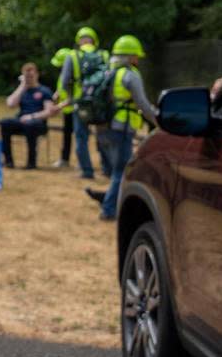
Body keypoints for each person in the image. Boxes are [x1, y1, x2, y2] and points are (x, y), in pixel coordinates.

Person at [85, 35, 159, 221]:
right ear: (131, 56)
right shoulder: (130, 75)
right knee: (121, 171)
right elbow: (142, 103)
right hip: (121, 128)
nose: (138, 59)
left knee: (116, 169)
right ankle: (109, 209)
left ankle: (110, 200)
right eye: (137, 56)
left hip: (103, 127)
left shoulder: (108, 72)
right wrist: (158, 120)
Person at [49, 27, 108, 179]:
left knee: (81, 138)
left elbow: (63, 82)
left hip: (80, 103)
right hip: (101, 103)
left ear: (78, 41)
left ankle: (87, 171)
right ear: (94, 40)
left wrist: (66, 98)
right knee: (102, 135)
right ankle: (107, 168)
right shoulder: (104, 55)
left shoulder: (73, 56)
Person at [0, 62, 54, 168]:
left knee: (30, 125)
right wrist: (22, 86)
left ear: (37, 75)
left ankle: (31, 163)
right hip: (21, 121)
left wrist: (32, 116)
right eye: (26, 76)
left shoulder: (44, 91)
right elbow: (10, 104)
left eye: (31, 76)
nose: (29, 78)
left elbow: (48, 112)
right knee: (5, 123)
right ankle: (8, 161)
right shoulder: (22, 90)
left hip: (38, 123)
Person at [49, 47, 74, 168]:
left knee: (80, 138)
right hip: (67, 110)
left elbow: (73, 98)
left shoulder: (73, 76)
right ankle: (65, 159)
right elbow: (61, 88)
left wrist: (58, 106)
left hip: (75, 110)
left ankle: (82, 162)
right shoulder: (64, 75)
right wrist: (56, 95)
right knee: (67, 135)